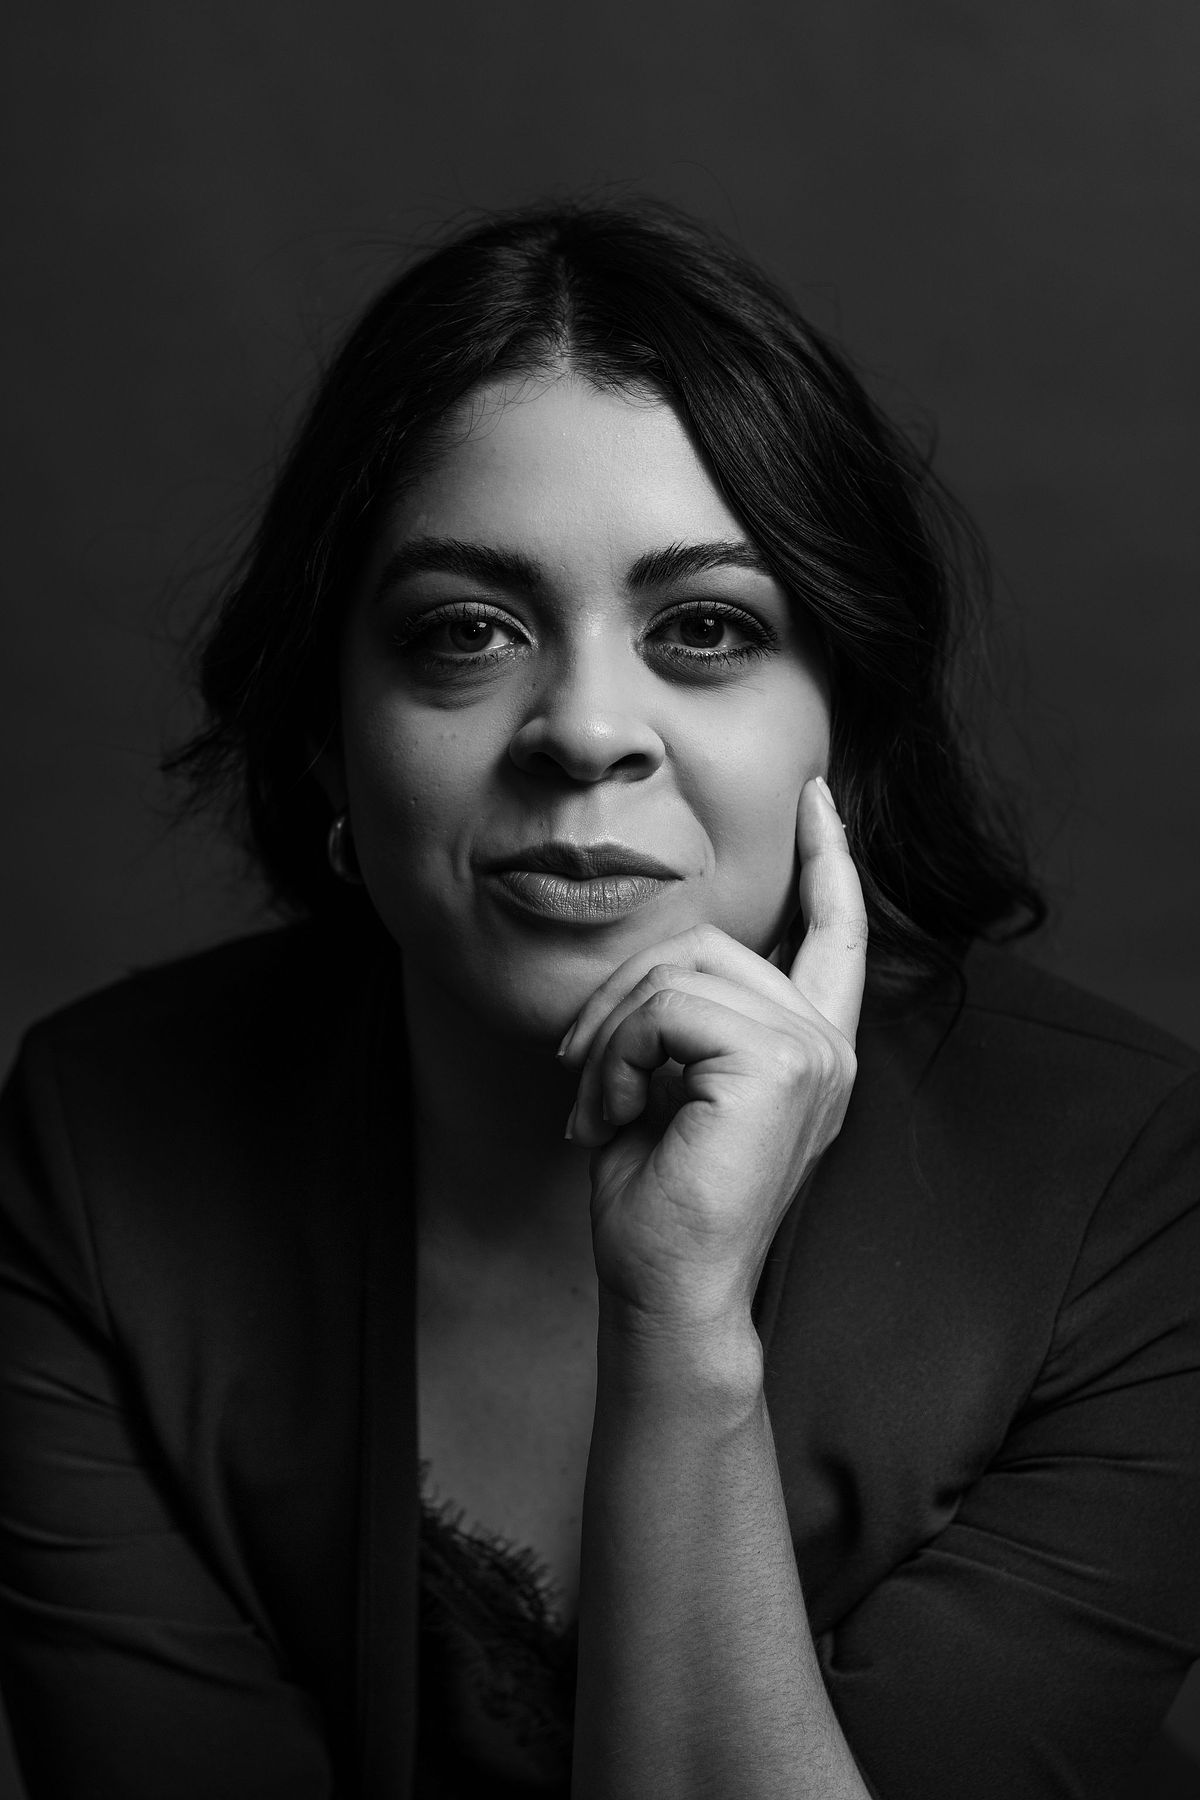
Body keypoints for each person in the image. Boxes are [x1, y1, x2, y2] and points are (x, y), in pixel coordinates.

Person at [0, 197, 1197, 1800]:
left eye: (703, 629)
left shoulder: (1132, 1190)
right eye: (465, 631)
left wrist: (682, 1321)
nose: (583, 729)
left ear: (842, 727)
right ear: (327, 732)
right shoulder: (95, 1154)